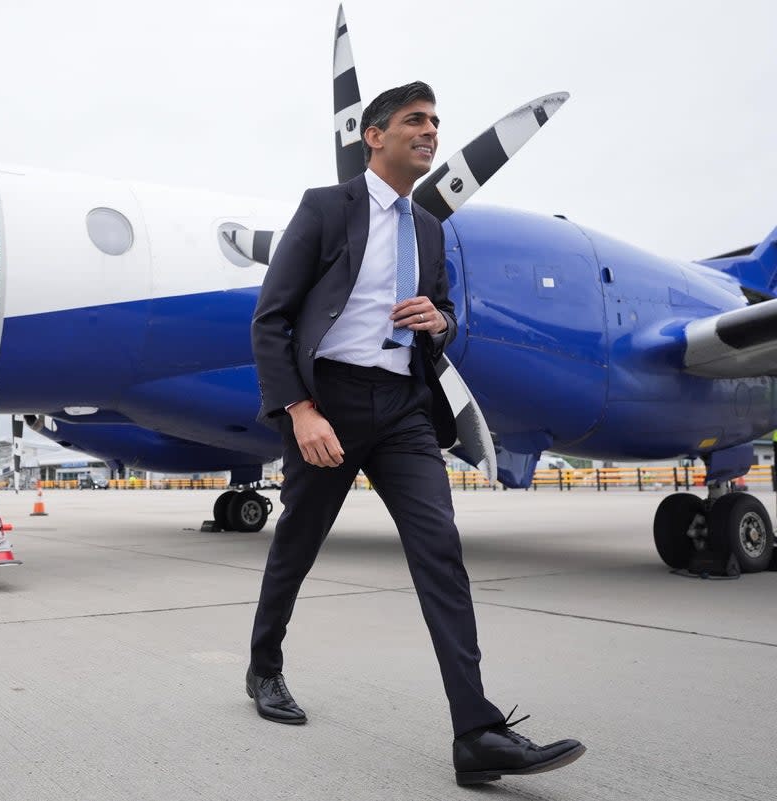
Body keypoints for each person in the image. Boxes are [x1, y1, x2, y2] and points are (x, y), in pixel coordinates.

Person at [246, 81, 585, 786]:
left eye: (436, 122)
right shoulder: (323, 208)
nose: (431, 132)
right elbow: (271, 319)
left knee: (441, 551)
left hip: (402, 405)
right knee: (297, 544)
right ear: (375, 135)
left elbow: (447, 312)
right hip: (329, 397)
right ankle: (264, 666)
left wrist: (442, 321)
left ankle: (477, 732)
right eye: (415, 121)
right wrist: (300, 411)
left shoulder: (428, 229)